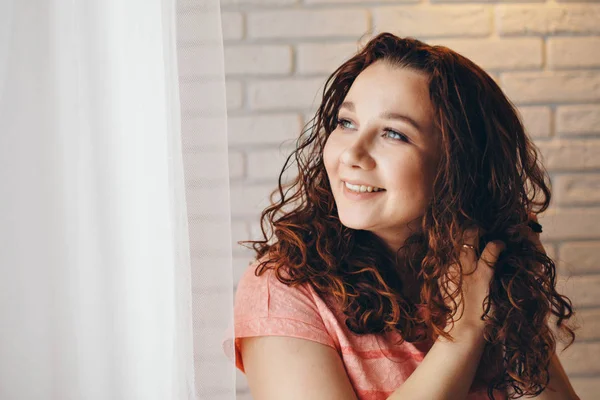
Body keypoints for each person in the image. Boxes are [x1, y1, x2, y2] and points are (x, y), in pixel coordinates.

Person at [222, 33, 580, 399]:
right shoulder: (285, 289)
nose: (352, 155)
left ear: (458, 166)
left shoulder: (484, 274)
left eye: (393, 133)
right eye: (347, 123)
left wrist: (515, 297)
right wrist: (465, 331)